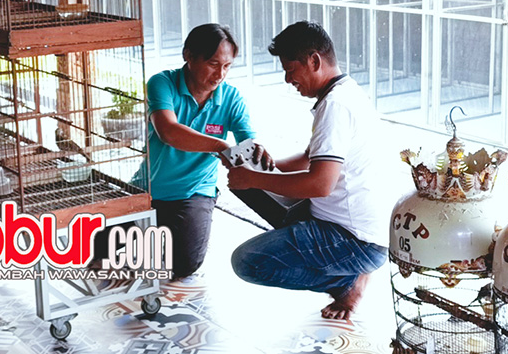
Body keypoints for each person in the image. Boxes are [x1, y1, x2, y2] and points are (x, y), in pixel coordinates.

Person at [227, 21, 392, 320]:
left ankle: (347, 282)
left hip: (355, 241)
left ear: (314, 61)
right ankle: (350, 273)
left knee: (246, 262)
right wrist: (266, 165)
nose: (288, 79)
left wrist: (251, 177)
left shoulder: (335, 106)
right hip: (362, 232)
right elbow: (309, 158)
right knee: (271, 201)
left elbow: (319, 184)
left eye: (291, 69)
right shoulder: (345, 93)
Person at [143, 23, 273, 280]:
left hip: (195, 191)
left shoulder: (231, 98)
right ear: (188, 56)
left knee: (184, 264)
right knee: (103, 246)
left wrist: (257, 149)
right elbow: (168, 131)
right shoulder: (162, 83)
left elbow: (247, 141)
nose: (220, 74)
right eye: (213, 64)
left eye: (227, 66)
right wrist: (219, 145)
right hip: (149, 186)